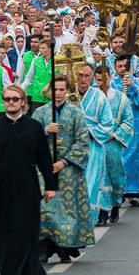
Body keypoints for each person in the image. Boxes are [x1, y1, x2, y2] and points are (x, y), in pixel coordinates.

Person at [0, 84, 56, 275]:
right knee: (2, 231)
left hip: (27, 186)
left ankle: (26, 274)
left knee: (25, 231)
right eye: (7, 99)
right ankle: (10, 274)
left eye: (15, 99)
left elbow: (44, 158)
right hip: (0, 187)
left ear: (23, 102)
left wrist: (49, 186)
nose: (11, 102)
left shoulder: (33, 127)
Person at [33, 75, 95, 264]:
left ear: (68, 91)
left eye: (62, 90)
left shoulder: (76, 113)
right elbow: (28, 139)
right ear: (50, 91)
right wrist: (44, 131)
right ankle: (43, 247)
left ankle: (64, 249)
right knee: (45, 208)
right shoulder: (41, 113)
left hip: (68, 170)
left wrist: (65, 162)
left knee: (67, 212)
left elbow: (83, 142)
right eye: (55, 90)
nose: (58, 93)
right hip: (45, 170)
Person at [74, 63, 120, 227]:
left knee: (90, 184)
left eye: (87, 76)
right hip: (71, 149)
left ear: (92, 78)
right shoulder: (69, 96)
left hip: (93, 148)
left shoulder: (99, 97)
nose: (83, 79)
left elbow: (108, 126)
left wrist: (87, 131)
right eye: (80, 75)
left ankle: (88, 220)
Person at [112, 54, 139, 205]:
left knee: (137, 157)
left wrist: (133, 86)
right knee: (120, 159)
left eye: (125, 66)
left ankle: (133, 192)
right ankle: (120, 191)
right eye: (119, 67)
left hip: (137, 128)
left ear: (130, 67)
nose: (122, 69)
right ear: (115, 67)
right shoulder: (111, 85)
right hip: (118, 127)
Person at [94, 64, 132, 223]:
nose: (100, 83)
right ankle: (102, 212)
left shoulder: (121, 98)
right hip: (96, 143)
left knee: (115, 176)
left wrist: (114, 135)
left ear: (110, 77)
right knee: (100, 178)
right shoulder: (92, 97)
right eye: (97, 80)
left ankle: (116, 204)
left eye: (103, 79)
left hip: (113, 145)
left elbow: (128, 121)